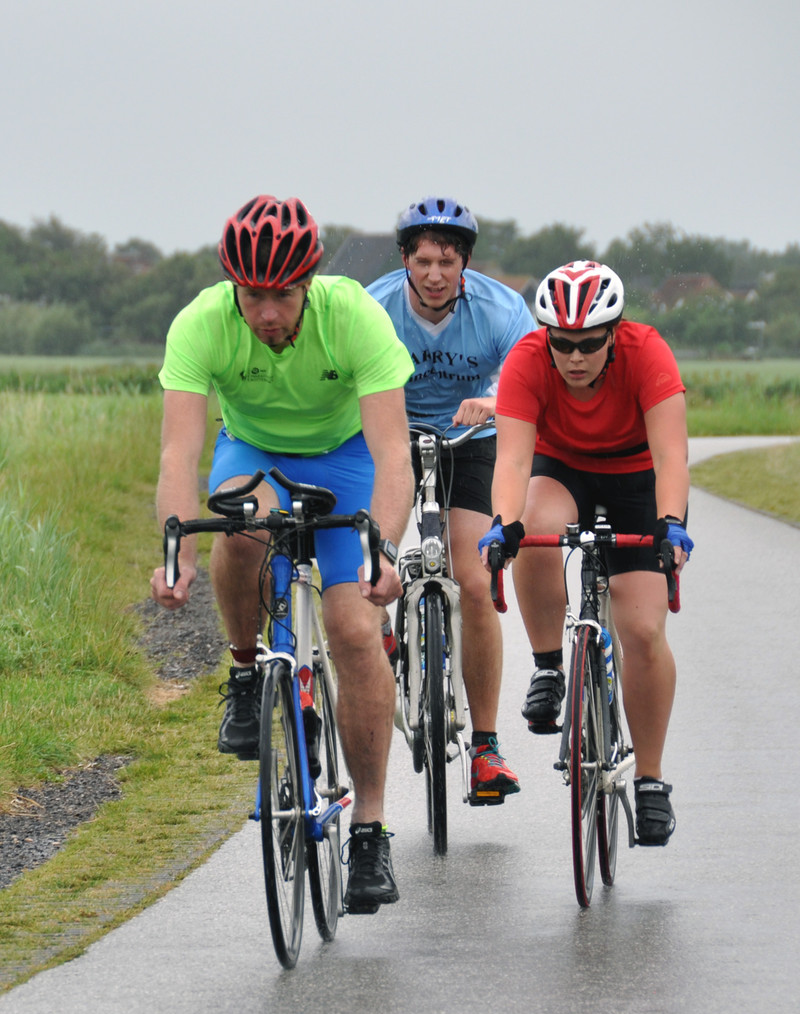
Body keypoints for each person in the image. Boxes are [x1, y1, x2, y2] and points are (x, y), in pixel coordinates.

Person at [150, 195, 415, 912]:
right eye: (253, 297)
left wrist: (383, 549)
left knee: (355, 630)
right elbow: (178, 453)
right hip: (255, 454)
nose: (267, 313)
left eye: (284, 296)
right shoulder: (202, 323)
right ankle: (244, 674)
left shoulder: (354, 316)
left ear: (310, 284)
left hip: (347, 459)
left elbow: (394, 452)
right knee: (235, 523)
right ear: (233, 288)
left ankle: (370, 830)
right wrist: (176, 552)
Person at [479, 260, 693, 845]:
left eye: (590, 344)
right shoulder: (528, 359)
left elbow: (671, 456)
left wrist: (671, 525)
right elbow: (513, 460)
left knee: (642, 630)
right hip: (563, 466)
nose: (575, 357)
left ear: (614, 335)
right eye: (563, 344)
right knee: (533, 527)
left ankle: (650, 780)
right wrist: (503, 525)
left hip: (638, 478)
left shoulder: (647, 352)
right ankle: (550, 665)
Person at [367, 197, 537, 805]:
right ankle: (382, 632)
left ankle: (486, 748)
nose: (435, 275)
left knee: (473, 576)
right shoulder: (375, 308)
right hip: (391, 439)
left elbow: (529, 375)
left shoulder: (500, 307)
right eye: (423, 261)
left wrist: (495, 401)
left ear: (464, 262)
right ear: (405, 261)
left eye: (447, 261)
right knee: (367, 565)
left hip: (473, 441)